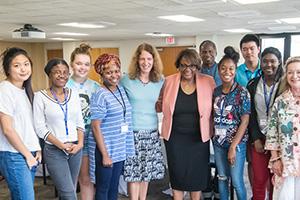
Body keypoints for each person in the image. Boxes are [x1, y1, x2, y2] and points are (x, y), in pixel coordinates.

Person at [156, 49, 215, 200]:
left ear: (197, 66)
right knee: (177, 176)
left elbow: (216, 106)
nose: (187, 70)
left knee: (197, 176)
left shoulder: (208, 81)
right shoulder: (169, 81)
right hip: (175, 138)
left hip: (198, 139)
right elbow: (160, 103)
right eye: (183, 66)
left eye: (192, 66)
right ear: (178, 66)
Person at [33, 58, 84, 199]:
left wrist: (80, 144)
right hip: (55, 150)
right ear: (49, 74)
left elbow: (80, 122)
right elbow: (40, 128)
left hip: (75, 149)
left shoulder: (73, 94)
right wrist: (60, 145)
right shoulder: (40, 97)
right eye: (57, 72)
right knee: (68, 193)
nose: (62, 75)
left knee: (70, 189)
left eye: (65, 72)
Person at [121, 43, 165, 200]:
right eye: (142, 59)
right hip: (132, 133)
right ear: (136, 61)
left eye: (149, 59)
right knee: (133, 174)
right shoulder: (126, 80)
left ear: (154, 60)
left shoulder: (160, 81)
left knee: (146, 174)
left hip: (152, 132)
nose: (146, 62)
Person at [90, 53, 135, 200]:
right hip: (106, 150)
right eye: (109, 72)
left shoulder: (120, 90)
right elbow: (96, 127)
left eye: (116, 71)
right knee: (103, 190)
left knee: (114, 188)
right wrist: (105, 155)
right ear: (101, 74)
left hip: (119, 150)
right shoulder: (100, 94)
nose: (114, 75)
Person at [0, 47, 41, 200]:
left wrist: (36, 149)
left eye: (26, 64)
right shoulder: (5, 90)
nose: (23, 69)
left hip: (27, 152)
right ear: (8, 69)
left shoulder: (25, 91)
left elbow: (28, 126)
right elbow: (7, 129)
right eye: (16, 65)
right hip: (13, 154)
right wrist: (27, 155)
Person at [212, 46, 251, 200]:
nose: (226, 72)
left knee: (236, 181)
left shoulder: (242, 92)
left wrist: (233, 146)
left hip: (237, 144)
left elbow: (245, 120)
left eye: (231, 68)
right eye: (223, 68)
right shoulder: (215, 91)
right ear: (218, 70)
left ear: (235, 70)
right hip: (218, 143)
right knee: (222, 178)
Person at [247, 47, 284, 200]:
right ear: (260, 63)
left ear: (279, 62)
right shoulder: (253, 84)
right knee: (259, 179)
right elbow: (250, 114)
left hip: (280, 142)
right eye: (265, 61)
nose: (269, 65)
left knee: (277, 180)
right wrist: (255, 138)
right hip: (259, 139)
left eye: (273, 61)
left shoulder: (285, 84)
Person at [66, 43, 99, 199]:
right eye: (79, 63)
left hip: (88, 139)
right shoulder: (64, 85)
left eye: (86, 64)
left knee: (86, 179)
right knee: (69, 182)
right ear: (72, 63)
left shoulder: (96, 87)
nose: (82, 67)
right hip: (68, 139)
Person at [265, 56, 300, 200]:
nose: (294, 76)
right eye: (290, 72)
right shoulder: (280, 101)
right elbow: (272, 133)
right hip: (287, 162)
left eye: (298, 72)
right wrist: (275, 159)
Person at [235, 34, 261, 191]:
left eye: (252, 48)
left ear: (258, 49)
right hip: (241, 123)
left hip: (261, 123)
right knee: (248, 161)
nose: (248, 52)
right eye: (245, 49)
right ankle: (254, 191)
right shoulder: (236, 72)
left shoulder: (266, 69)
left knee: (261, 162)